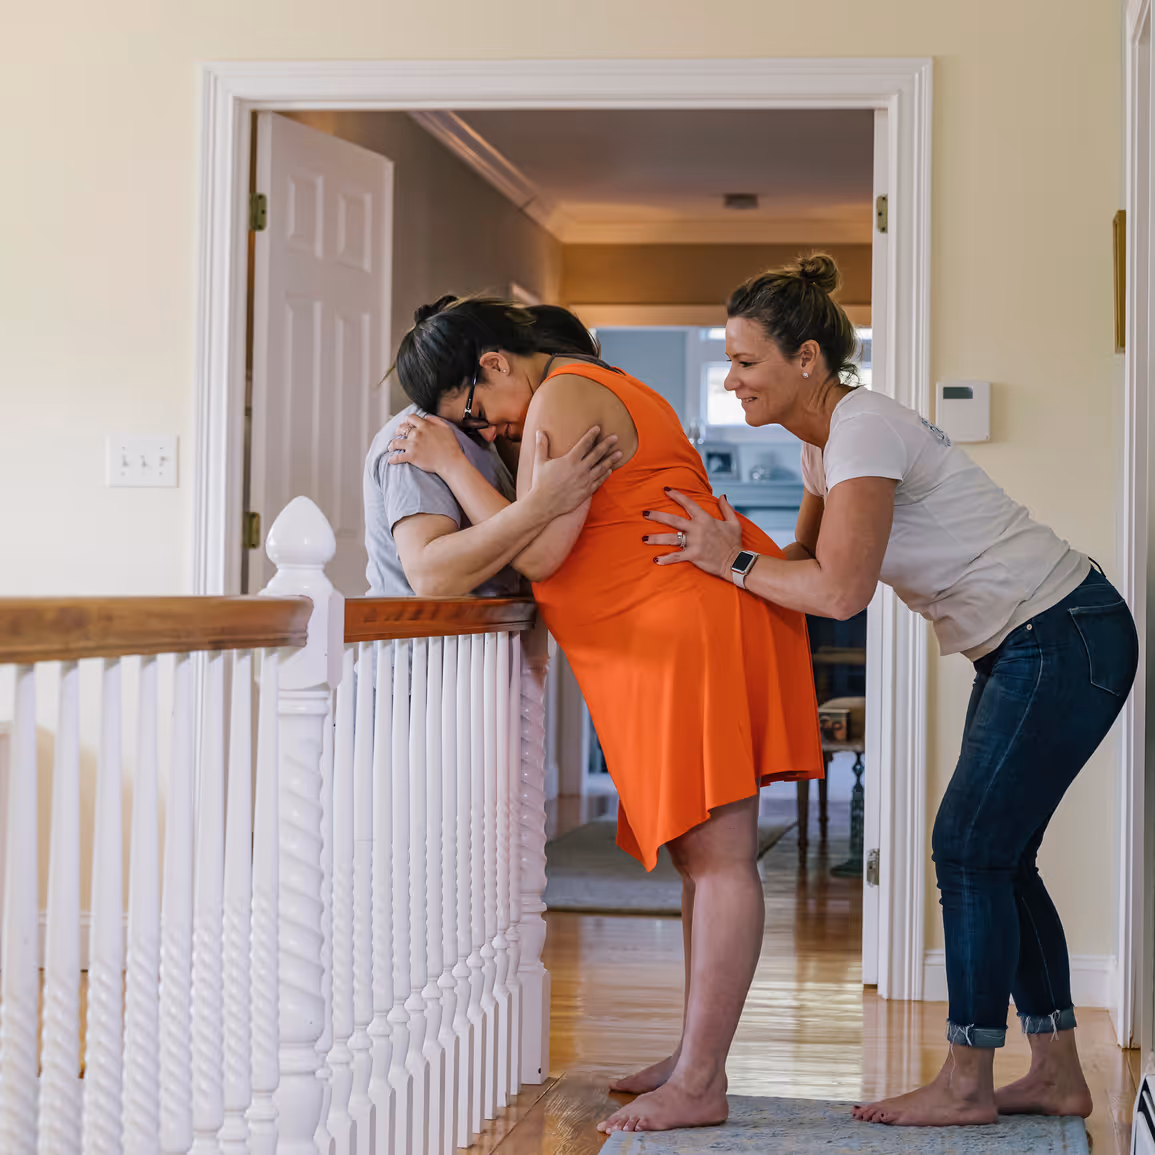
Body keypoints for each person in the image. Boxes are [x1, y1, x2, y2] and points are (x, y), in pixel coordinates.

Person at [642, 254, 1139, 1128]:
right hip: (1034, 640)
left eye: (746, 360)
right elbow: (797, 565)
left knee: (967, 848)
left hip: (1060, 631)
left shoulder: (862, 425)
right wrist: (719, 559)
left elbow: (838, 592)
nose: (732, 379)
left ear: (805, 359)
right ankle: (1056, 1071)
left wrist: (736, 561)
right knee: (996, 853)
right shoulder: (818, 445)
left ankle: (965, 1081)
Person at [387, 294, 825, 1133]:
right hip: (671, 629)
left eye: (474, 416)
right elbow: (556, 527)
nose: (487, 434)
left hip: (681, 630)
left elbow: (544, 547)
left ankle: (699, 1080)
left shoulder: (562, 394)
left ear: (493, 366)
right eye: (469, 432)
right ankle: (697, 1057)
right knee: (704, 859)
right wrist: (507, 482)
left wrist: (449, 467)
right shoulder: (589, 386)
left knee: (720, 856)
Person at [363, 342, 619, 596]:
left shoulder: (496, 441)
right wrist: (544, 502)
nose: (489, 431)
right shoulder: (418, 437)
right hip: (425, 636)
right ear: (499, 365)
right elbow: (431, 578)